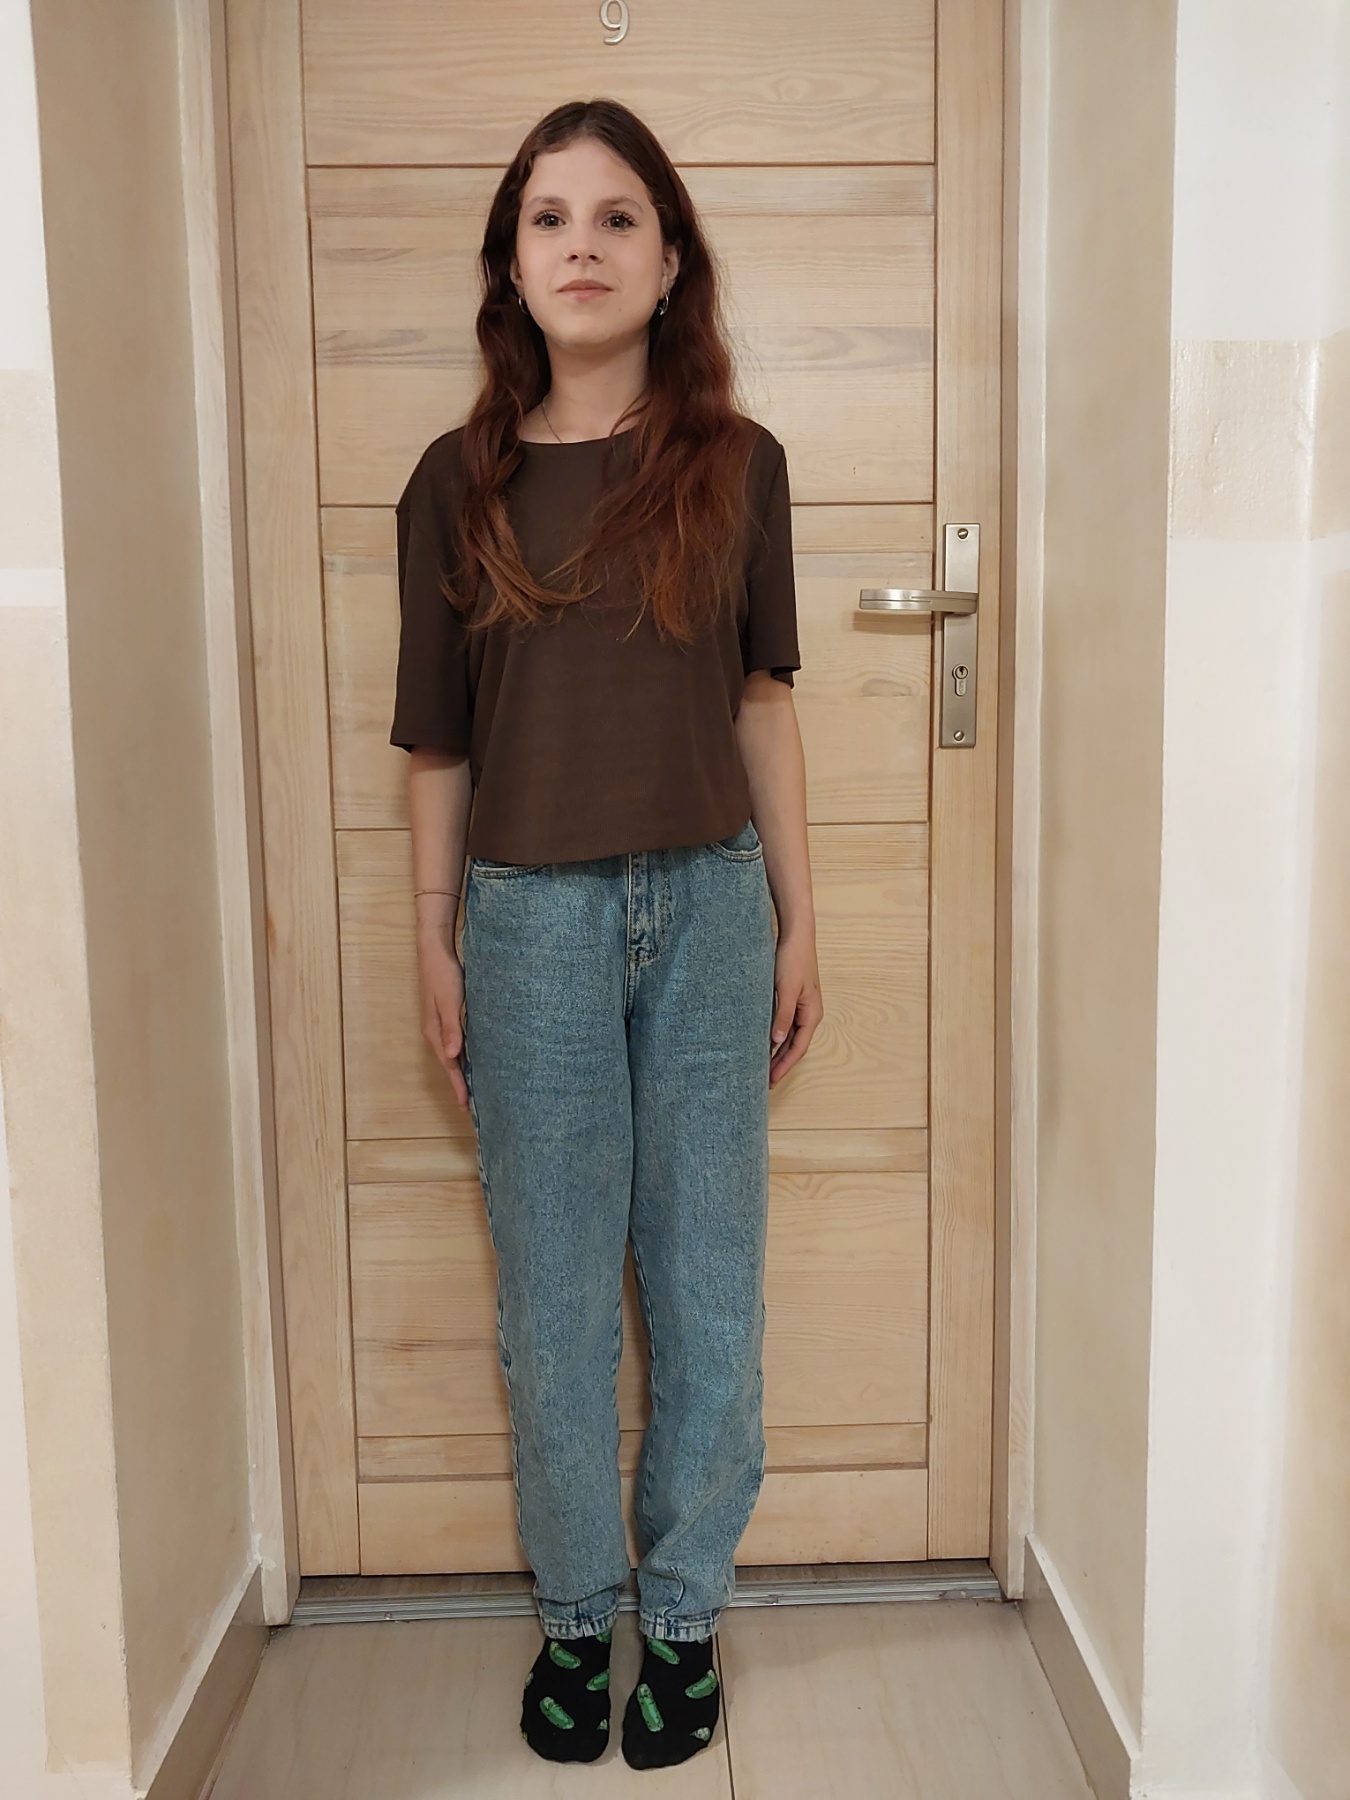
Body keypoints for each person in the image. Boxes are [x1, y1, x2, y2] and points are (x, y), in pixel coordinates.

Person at [388, 96, 823, 1771]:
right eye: (550, 217)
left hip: (709, 910)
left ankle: (685, 1621)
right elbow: (439, 746)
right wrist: (434, 939)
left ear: (669, 259)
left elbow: (763, 705)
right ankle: (578, 1619)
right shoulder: (455, 484)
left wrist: (797, 918)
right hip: (526, 928)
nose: (583, 245)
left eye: (618, 216)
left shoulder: (737, 466)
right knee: (556, 1301)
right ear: (510, 262)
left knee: (707, 1287)